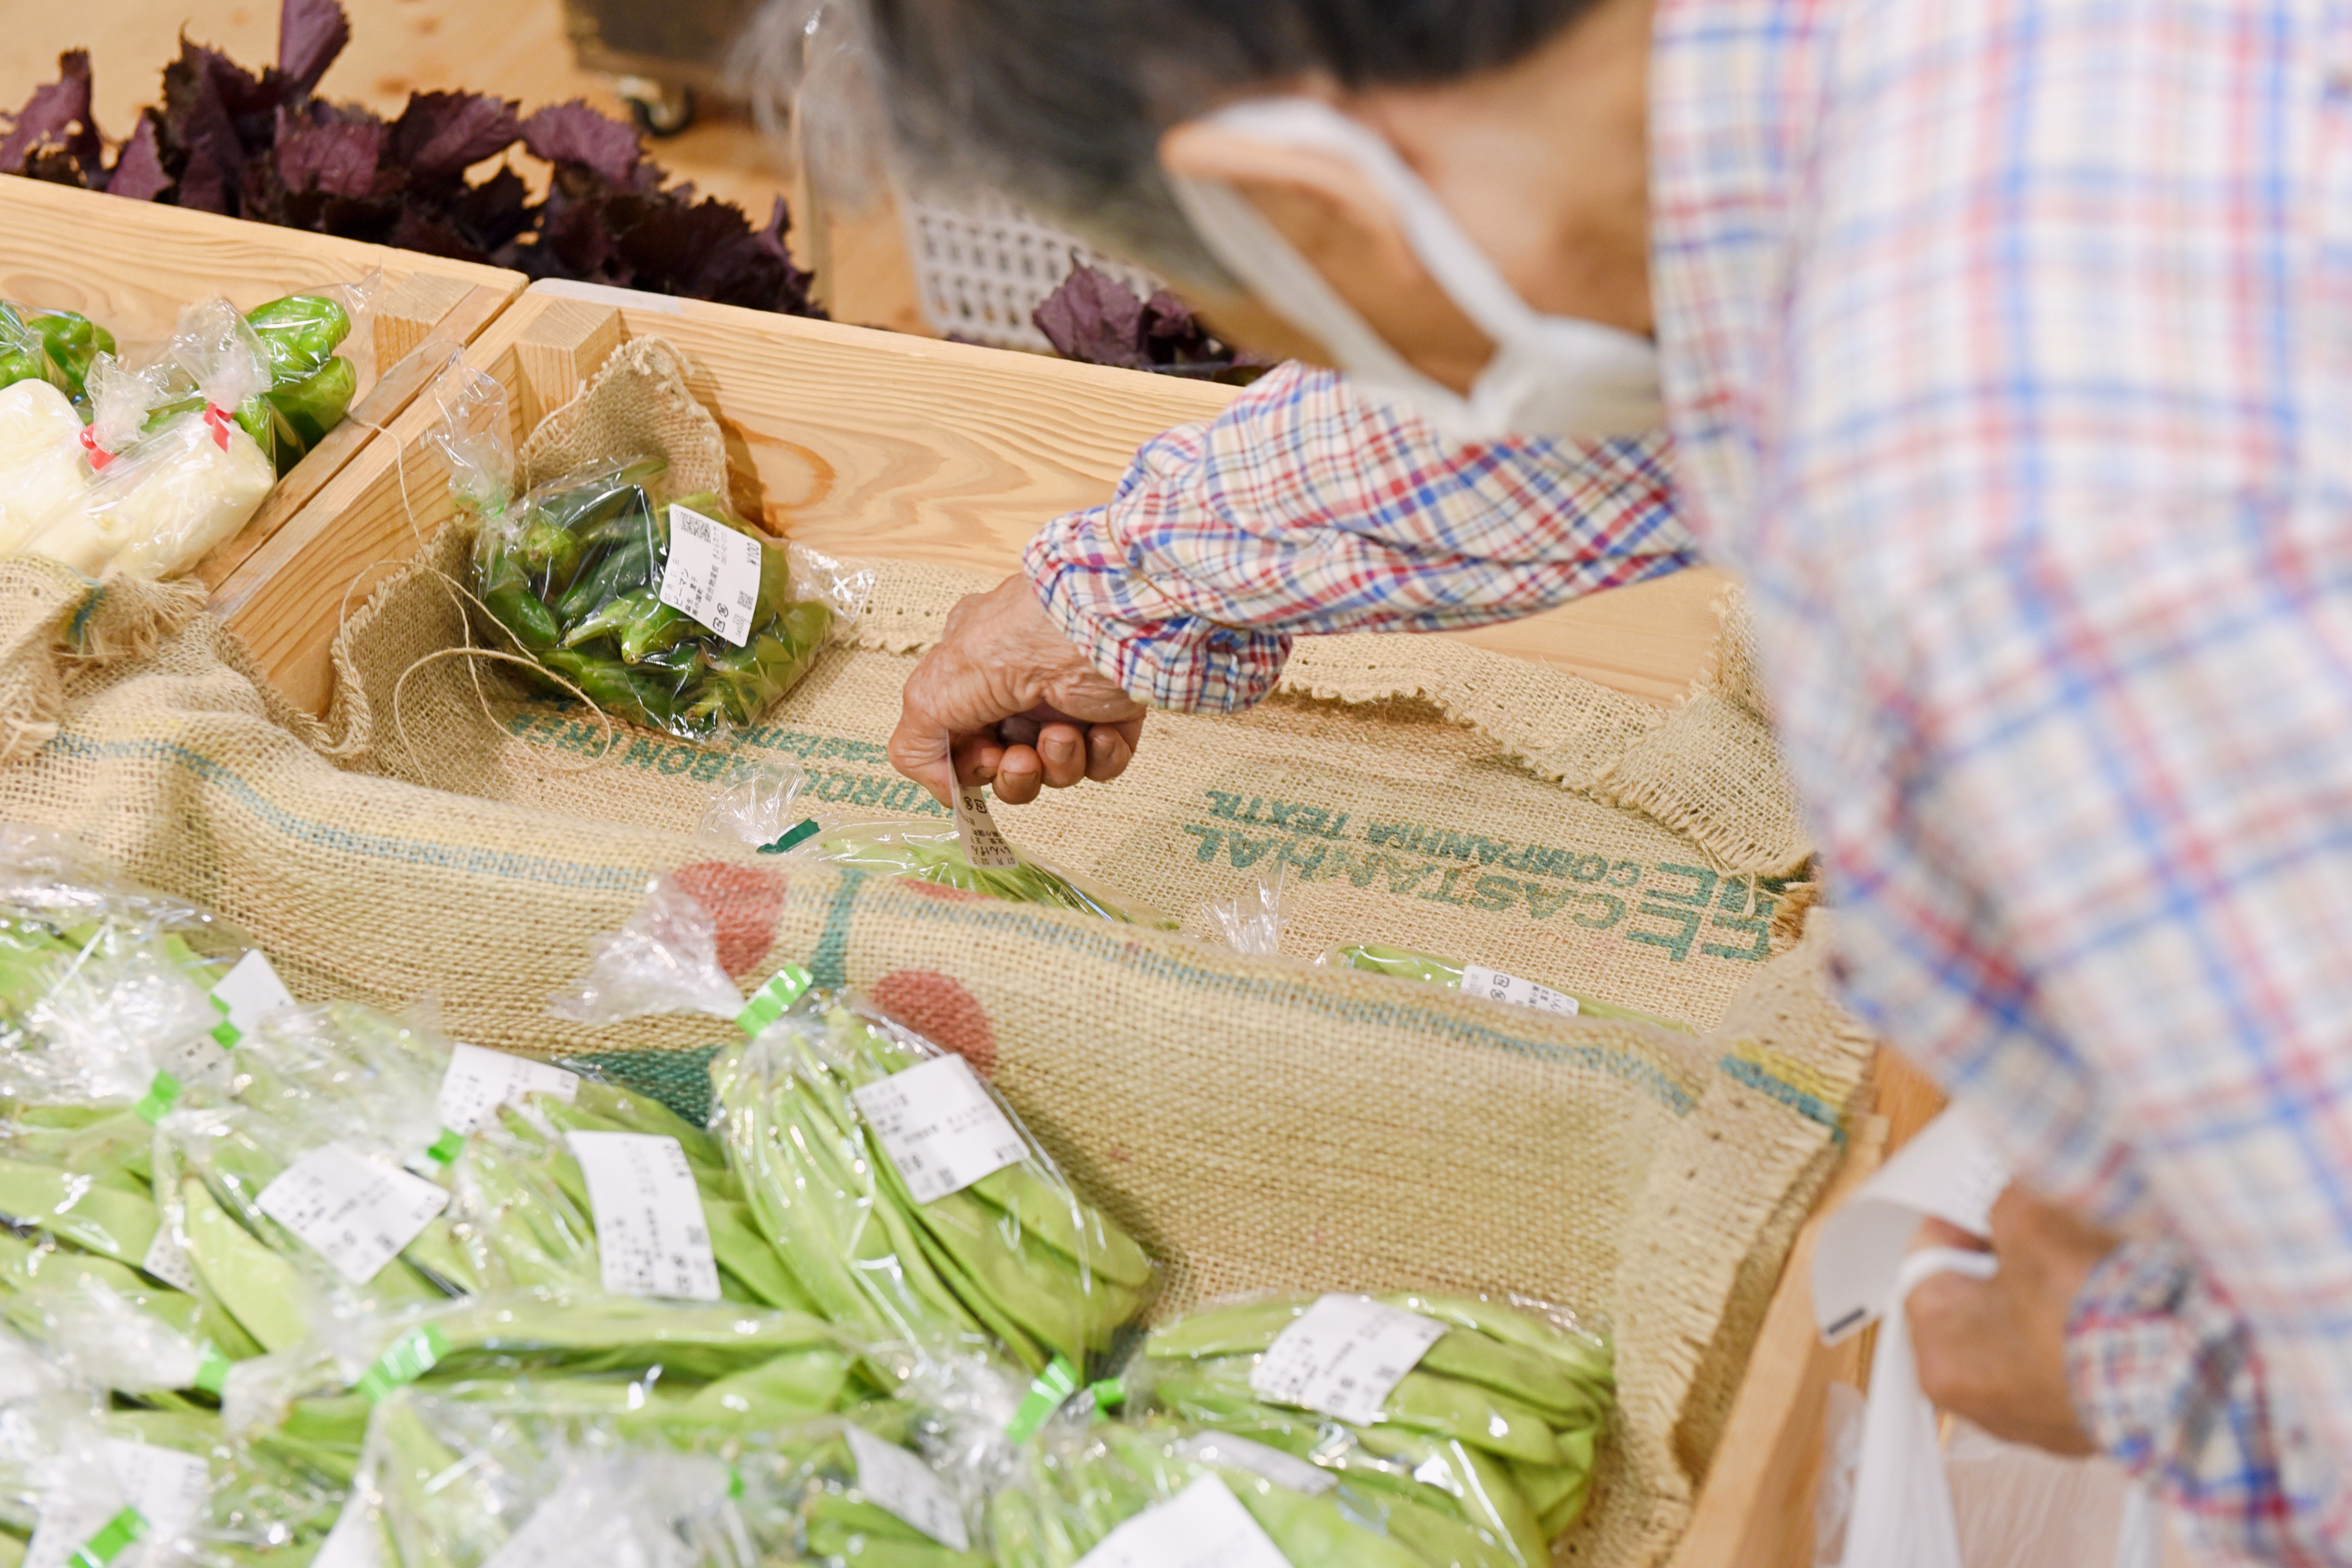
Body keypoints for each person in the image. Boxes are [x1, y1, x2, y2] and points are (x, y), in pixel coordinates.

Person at [835, 0, 2352, 1559]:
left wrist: (2118, 1362)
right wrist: (1116, 590)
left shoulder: (2008, 531)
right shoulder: (1838, 112)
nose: (1362, 359)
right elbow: (1637, 376)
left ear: (1315, 199)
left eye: (1295, 305)